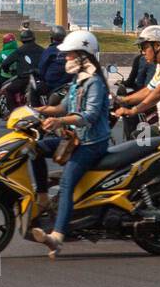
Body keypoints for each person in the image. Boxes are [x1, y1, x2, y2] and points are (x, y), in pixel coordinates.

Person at [29, 29, 111, 257]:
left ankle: (57, 237)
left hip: (91, 144)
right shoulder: (78, 81)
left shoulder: (95, 83)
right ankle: (43, 197)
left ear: (84, 56)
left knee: (66, 183)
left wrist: (59, 121)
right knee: (33, 148)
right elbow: (62, 107)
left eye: (69, 55)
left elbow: (90, 116)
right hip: (74, 140)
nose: (66, 59)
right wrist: (36, 111)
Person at [0, 27, 45, 109]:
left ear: (22, 40)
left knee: (9, 90)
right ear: (33, 38)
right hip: (40, 78)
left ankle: (13, 113)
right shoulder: (42, 50)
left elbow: (5, 63)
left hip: (24, 78)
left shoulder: (19, 51)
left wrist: (7, 70)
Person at [37, 24, 69, 98]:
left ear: (51, 38)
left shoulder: (49, 51)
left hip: (52, 84)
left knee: (34, 91)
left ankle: (36, 109)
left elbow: (42, 68)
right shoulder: (70, 50)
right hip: (68, 83)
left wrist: (41, 77)